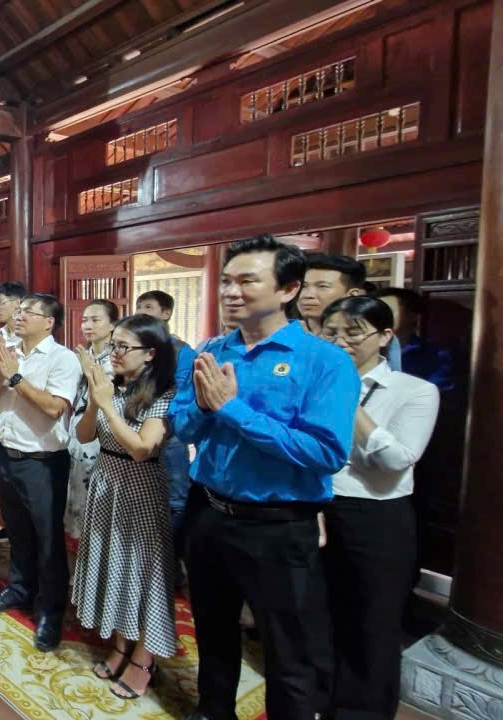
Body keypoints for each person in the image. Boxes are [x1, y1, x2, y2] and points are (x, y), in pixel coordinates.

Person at [171, 234, 360, 720]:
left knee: (288, 650)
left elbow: (325, 452)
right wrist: (204, 407)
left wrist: (232, 409)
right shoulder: (213, 350)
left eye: (247, 281)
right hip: (209, 511)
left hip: (278, 525)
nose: (230, 292)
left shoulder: (324, 361)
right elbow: (183, 427)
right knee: (212, 629)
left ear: (288, 289)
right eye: (226, 281)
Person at [319, 296, 438, 720]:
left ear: (385, 336)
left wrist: (347, 397)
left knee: (372, 622)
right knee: (320, 613)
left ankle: (363, 711)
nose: (340, 342)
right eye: (330, 333)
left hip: (375, 518)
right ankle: (322, 701)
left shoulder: (415, 391)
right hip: (317, 510)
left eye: (353, 333)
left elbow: (394, 461)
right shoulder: (314, 386)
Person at [72, 314, 179, 699]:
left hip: (140, 487)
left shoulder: (164, 392)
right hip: (105, 482)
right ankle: (120, 645)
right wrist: (94, 400)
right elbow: (85, 434)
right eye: (113, 345)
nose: (113, 353)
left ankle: (144, 658)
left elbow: (141, 448)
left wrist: (107, 405)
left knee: (143, 573)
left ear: (150, 353)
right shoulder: (110, 385)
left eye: (123, 347)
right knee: (113, 566)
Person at [0, 293, 79, 652]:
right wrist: (1, 372)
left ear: (49, 322)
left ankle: (50, 612)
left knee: (48, 541)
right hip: (8, 456)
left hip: (42, 463)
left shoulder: (62, 359)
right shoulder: (9, 352)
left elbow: (54, 408)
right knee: (18, 532)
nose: (19, 316)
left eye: (28, 312)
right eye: (18, 311)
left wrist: (16, 377)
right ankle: (19, 589)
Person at [135, 290, 197, 544]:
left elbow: (180, 395)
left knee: (175, 499)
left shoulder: (182, 351)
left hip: (169, 435)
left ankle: (173, 556)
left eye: (148, 307)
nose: (141, 312)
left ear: (166, 313)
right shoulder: (134, 347)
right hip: (135, 434)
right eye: (139, 306)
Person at [64, 299, 118, 538]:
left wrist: (91, 372)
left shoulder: (117, 357)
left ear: (113, 324)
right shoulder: (82, 355)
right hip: (78, 428)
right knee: (76, 487)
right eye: (85, 320)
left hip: (104, 432)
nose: (88, 325)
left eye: (96, 320)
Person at [0, 281, 27, 541]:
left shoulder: (28, 335)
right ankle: (10, 523)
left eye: (0, 303)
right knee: (3, 469)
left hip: (25, 405)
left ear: (18, 303)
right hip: (0, 403)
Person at [372, 287, 458, 392]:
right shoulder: (363, 350)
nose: (379, 318)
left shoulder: (436, 355)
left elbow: (432, 392)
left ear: (412, 315)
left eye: (387, 311)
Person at [296, 253, 366, 335]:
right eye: (303, 286)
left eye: (322, 286)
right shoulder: (287, 333)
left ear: (352, 294)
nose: (308, 295)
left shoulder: (364, 337)